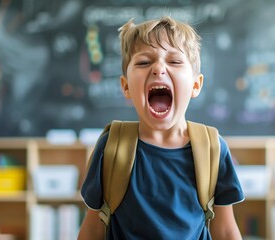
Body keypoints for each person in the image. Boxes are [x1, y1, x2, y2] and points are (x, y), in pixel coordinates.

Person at [78, 16, 244, 240]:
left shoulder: (212, 148)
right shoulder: (111, 147)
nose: (158, 68)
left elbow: (225, 230)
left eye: (174, 62)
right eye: (144, 62)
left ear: (196, 85)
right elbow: (93, 229)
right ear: (126, 86)